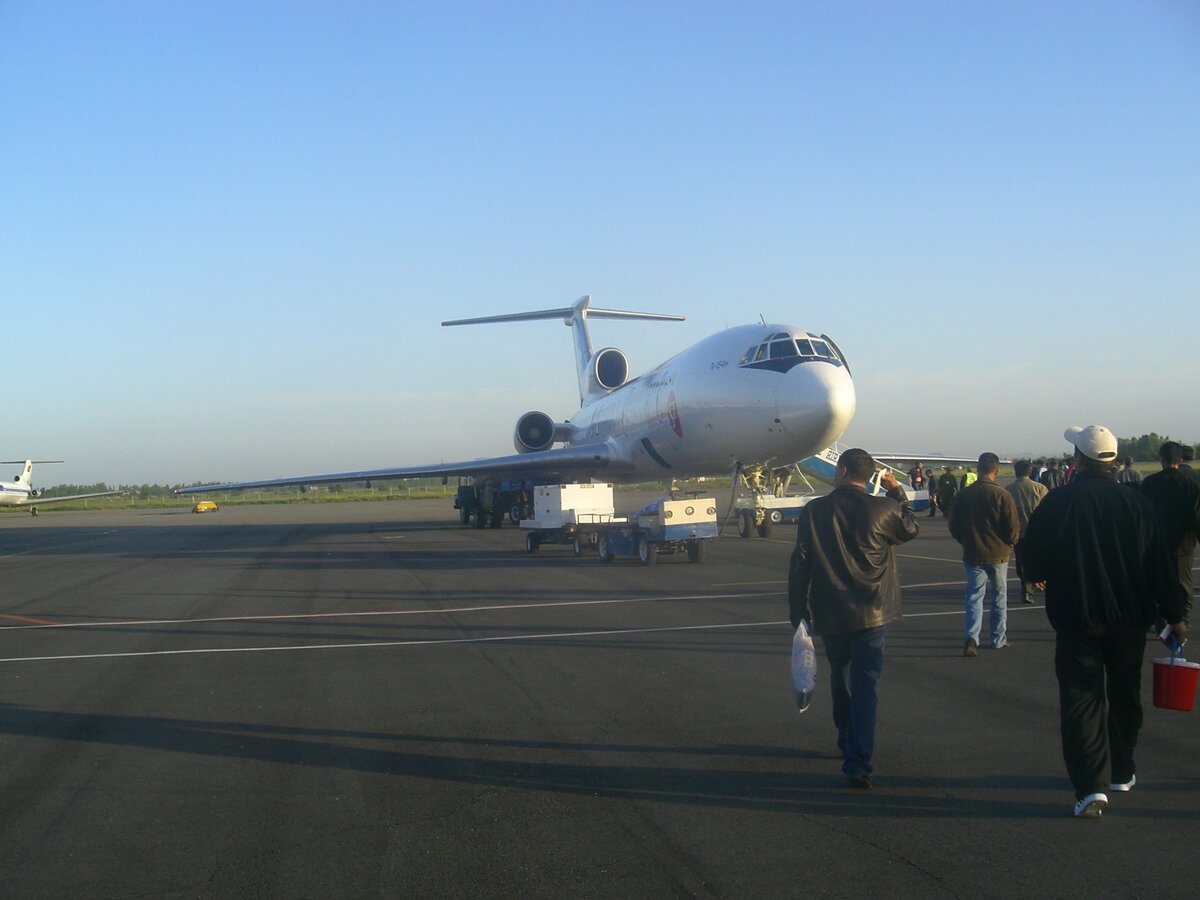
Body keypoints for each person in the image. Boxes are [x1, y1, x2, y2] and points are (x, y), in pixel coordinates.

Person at [1023, 425, 1187, 819]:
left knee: (1082, 701)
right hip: (1130, 622)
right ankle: (1123, 768)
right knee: (1125, 695)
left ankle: (1089, 787)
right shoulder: (1137, 504)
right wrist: (1175, 613)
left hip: (1077, 620)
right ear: (1113, 461)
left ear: (1078, 461)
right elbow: (1160, 565)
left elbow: (1033, 560)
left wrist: (1043, 572)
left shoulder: (1058, 503)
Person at [788, 448, 919, 789]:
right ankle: (857, 760)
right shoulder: (885, 508)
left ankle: (845, 736)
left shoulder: (815, 511)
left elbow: (800, 563)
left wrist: (797, 611)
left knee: (841, 676)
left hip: (830, 611)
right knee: (866, 685)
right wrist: (896, 491)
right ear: (869, 473)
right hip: (874, 611)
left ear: (841, 471)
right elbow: (911, 528)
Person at [949, 452, 1020, 654]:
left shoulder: (964, 494)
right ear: (996, 471)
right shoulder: (1002, 494)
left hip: (972, 552)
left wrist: (965, 540)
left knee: (974, 596)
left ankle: (972, 637)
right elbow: (1012, 528)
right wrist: (1011, 542)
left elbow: (954, 525)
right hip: (999, 554)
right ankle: (998, 638)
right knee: (999, 597)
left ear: (978, 469)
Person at [1139, 441, 1200, 626]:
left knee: (1155, 582)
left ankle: (1160, 618)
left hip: (1154, 543)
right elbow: (1196, 517)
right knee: (1183, 584)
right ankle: (1182, 618)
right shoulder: (1190, 484)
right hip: (1182, 545)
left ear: (1161, 459)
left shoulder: (1150, 483)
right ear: (1180, 460)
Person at [1006, 459, 1048, 604]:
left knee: (1022, 562)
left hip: (1019, 534)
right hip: (1038, 533)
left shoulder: (1008, 490)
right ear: (1030, 471)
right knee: (1042, 559)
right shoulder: (1040, 488)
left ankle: (1027, 590)